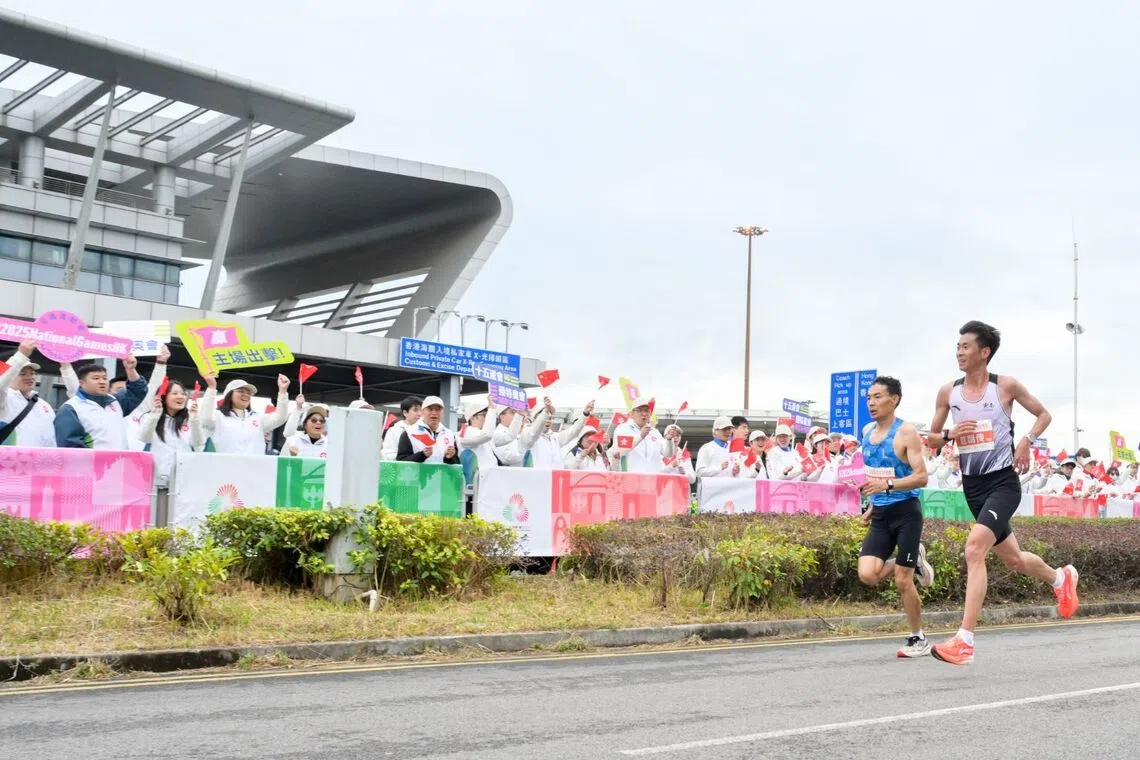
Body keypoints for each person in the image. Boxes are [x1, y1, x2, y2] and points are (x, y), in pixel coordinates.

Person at [926, 320, 1078, 666]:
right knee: (1013, 559)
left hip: (1003, 482)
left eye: (966, 346)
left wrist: (1026, 441)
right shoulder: (948, 393)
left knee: (974, 548)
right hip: (973, 486)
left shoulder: (1004, 386)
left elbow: (1044, 414)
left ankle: (964, 641)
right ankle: (1060, 577)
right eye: (957, 346)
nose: (959, 352)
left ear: (984, 352)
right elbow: (932, 440)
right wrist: (951, 434)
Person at [850, 376, 934, 658]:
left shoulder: (906, 432)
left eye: (877, 397)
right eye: (869, 398)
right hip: (881, 513)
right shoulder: (866, 433)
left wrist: (887, 487)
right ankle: (915, 559)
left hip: (906, 513)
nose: (871, 403)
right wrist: (874, 505)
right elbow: (877, 475)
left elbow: (921, 477)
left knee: (902, 579)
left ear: (894, 399)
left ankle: (917, 638)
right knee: (868, 575)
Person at [55, 356, 148, 449]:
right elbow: (69, 445)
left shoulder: (115, 402)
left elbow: (139, 391)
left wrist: (130, 369)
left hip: (120, 461)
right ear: (82, 383)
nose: (102, 382)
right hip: (91, 463)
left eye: (104, 378)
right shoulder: (71, 408)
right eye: (96, 378)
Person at [0, 340, 72, 448]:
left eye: (32, 373)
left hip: (40, 463)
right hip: (9, 462)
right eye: (22, 373)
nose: (30, 377)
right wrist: (21, 356)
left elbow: (50, 440)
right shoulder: (5, 400)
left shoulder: (44, 406)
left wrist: (65, 365)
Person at [199, 374, 291, 455]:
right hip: (224, 470)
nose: (246, 395)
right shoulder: (218, 416)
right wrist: (212, 387)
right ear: (229, 395)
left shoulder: (257, 418)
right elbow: (205, 419)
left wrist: (283, 391)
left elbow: (280, 417)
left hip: (253, 471)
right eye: (240, 391)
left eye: (248, 393)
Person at [138, 380, 205, 486]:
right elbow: (144, 438)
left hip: (184, 479)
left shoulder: (190, 419)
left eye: (183, 393)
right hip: (157, 479)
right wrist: (155, 414)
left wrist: (195, 419)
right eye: (175, 393)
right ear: (163, 398)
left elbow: (198, 443)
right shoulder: (150, 417)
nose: (181, 397)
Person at [397, 395, 459, 464]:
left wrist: (449, 458)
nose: (434, 413)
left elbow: (457, 463)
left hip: (441, 474)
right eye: (430, 409)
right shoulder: (409, 433)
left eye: (438, 409)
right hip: (418, 474)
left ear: (443, 413)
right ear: (422, 412)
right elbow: (401, 461)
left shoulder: (449, 434)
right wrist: (422, 455)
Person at [608, 399, 665, 473]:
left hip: (652, 479)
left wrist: (670, 440)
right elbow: (620, 451)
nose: (644, 414)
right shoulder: (623, 428)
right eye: (640, 410)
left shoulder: (654, 432)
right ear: (632, 414)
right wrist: (640, 436)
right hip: (631, 478)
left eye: (646, 411)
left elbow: (667, 453)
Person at [381, 396, 422, 461]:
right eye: (415, 410)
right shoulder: (394, 431)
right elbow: (387, 454)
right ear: (405, 413)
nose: (419, 414)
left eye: (421, 410)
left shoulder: (424, 430)